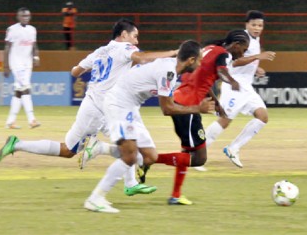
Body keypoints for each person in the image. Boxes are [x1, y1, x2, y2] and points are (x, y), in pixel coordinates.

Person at [0, 18, 179, 196]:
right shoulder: (125, 48)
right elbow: (141, 58)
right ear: (124, 34)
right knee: (70, 150)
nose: (136, 41)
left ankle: (128, 182)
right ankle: (18, 144)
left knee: (129, 144)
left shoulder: (99, 51)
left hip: (102, 105)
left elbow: (75, 71)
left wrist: (97, 71)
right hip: (100, 109)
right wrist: (171, 53)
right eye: (135, 36)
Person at [83, 40, 215, 213]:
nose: (199, 64)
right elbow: (167, 109)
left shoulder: (170, 67)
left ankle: (101, 148)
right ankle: (95, 198)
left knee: (150, 157)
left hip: (130, 106)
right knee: (130, 157)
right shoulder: (168, 72)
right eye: (198, 60)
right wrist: (198, 108)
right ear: (190, 60)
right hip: (119, 104)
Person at [151, 29, 250, 205]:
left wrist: (216, 103)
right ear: (235, 45)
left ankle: (175, 195)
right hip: (189, 107)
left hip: (182, 102)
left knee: (188, 152)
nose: (243, 54)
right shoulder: (224, 54)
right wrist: (232, 82)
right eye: (243, 49)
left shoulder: (210, 48)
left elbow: (203, 78)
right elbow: (221, 72)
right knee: (199, 158)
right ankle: (150, 159)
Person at [201, 10, 276, 170]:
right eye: (254, 24)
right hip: (234, 84)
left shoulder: (255, 40)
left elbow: (245, 61)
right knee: (225, 120)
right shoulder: (242, 38)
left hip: (245, 86)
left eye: (260, 25)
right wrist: (257, 57)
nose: (257, 28)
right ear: (246, 25)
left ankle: (233, 148)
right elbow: (234, 62)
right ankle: (198, 153)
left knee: (262, 116)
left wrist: (256, 68)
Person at [4, 7, 41, 129]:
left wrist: (36, 57)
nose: (25, 18)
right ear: (18, 17)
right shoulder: (12, 30)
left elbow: (34, 46)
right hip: (16, 63)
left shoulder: (32, 30)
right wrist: (6, 66)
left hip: (27, 64)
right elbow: (7, 48)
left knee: (19, 91)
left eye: (27, 16)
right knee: (26, 88)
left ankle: (10, 121)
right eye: (23, 16)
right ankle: (32, 119)